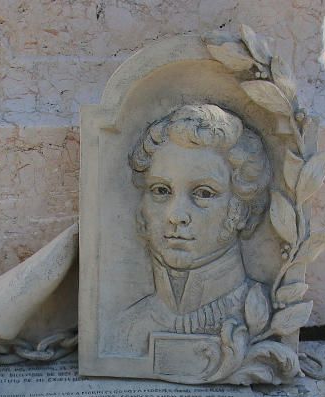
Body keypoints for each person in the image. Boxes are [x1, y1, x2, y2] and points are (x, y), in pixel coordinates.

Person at [109, 104, 271, 359]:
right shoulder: (124, 330)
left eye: (204, 193)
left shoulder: (263, 315)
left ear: (242, 209)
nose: (177, 216)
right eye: (161, 190)